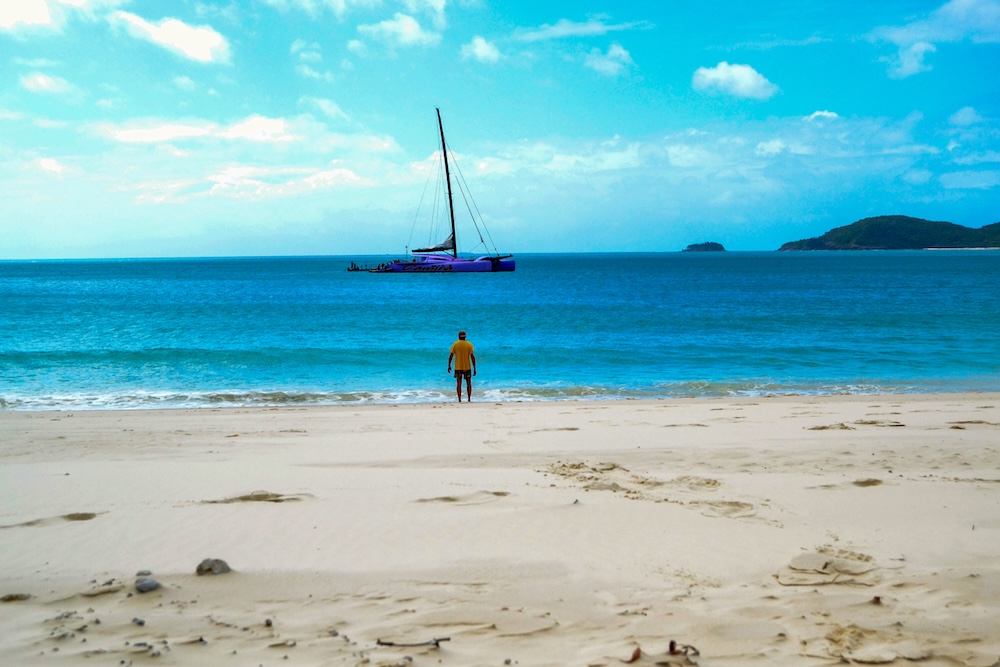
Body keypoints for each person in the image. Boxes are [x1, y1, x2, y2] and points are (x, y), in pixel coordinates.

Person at [447, 330, 476, 402]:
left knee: (459, 384)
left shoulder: (455, 344)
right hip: (467, 367)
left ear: (458, 336)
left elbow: (451, 355)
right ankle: (469, 399)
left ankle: (459, 399)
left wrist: (449, 365)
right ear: (465, 336)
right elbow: (472, 357)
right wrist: (474, 368)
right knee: (468, 383)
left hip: (458, 367)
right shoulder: (469, 344)